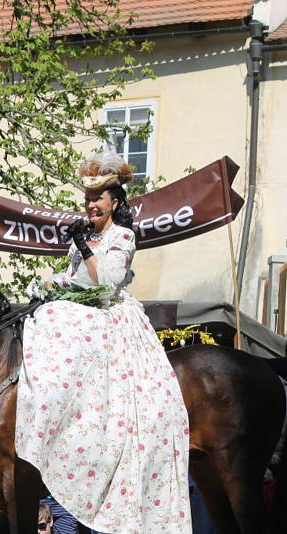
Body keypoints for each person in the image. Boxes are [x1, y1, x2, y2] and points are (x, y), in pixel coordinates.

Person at [15, 153, 192, 532]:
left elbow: (106, 284)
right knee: (41, 319)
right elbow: (72, 278)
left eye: (99, 199)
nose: (91, 205)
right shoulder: (85, 236)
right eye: (87, 199)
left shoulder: (122, 236)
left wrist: (86, 248)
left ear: (114, 202)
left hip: (109, 313)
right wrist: (49, 284)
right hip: (79, 308)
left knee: (64, 328)